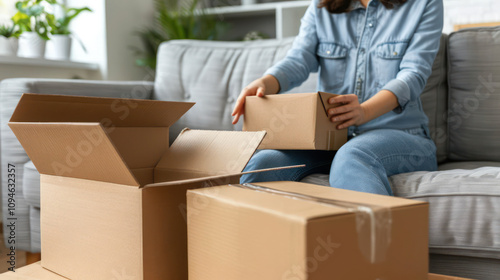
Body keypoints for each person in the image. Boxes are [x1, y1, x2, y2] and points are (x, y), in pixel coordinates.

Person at [231, 0, 444, 196]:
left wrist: (364, 111)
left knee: (352, 156)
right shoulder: (321, 6)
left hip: (402, 136)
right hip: (330, 140)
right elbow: (298, 59)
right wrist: (264, 83)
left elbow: (413, 75)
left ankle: (380, 238)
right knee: (264, 162)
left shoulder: (424, 4)